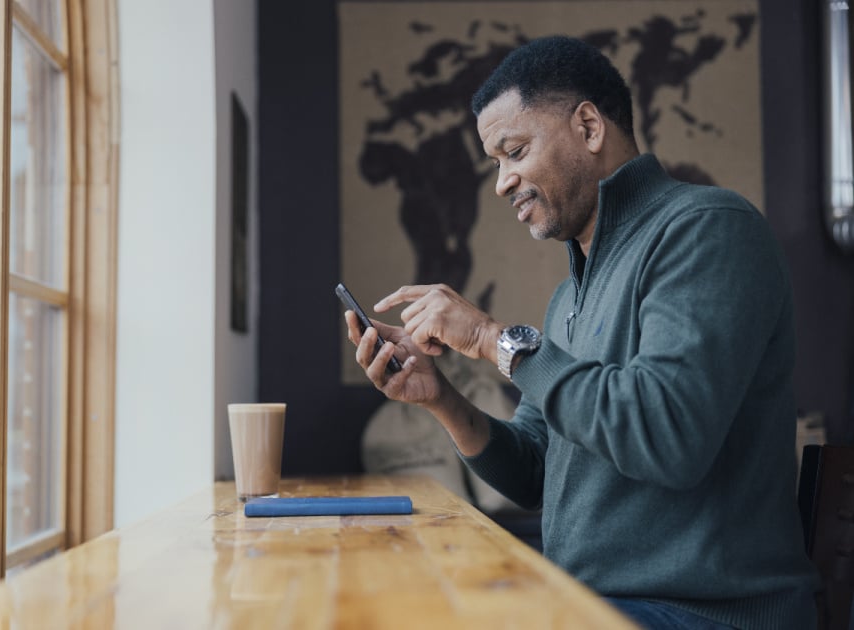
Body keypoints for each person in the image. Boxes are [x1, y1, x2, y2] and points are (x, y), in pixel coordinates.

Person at [343, 35, 819, 630]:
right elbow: (534, 473)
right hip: (590, 604)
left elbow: (666, 435)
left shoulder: (708, 231)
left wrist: (493, 340)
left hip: (705, 613)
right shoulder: (571, 294)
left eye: (514, 151)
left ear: (589, 127)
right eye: (495, 163)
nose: (501, 183)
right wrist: (438, 395)